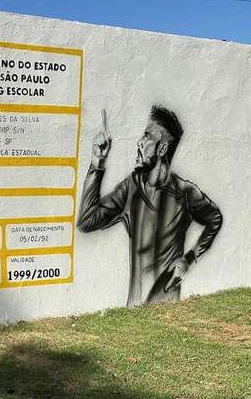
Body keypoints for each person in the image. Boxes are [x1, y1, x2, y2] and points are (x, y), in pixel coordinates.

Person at [77, 105, 222, 306]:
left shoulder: (185, 192)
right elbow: (86, 222)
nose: (139, 142)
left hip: (168, 311)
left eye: (146, 137)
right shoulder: (131, 188)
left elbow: (215, 219)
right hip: (134, 312)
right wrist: (97, 161)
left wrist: (189, 259)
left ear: (162, 148)